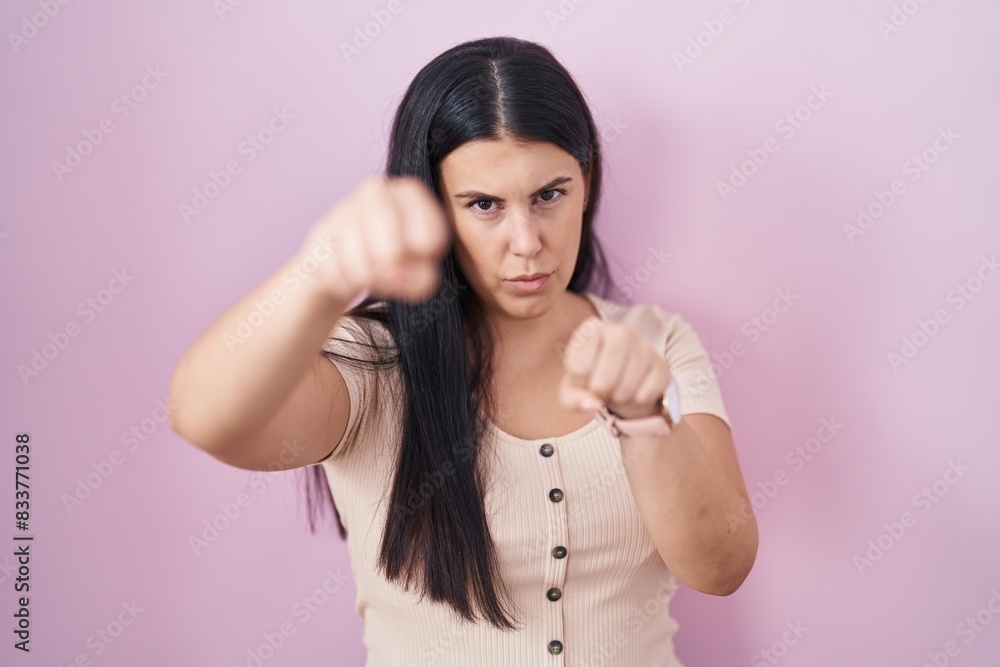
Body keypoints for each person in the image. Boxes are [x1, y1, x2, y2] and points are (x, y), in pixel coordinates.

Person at [168, 35, 758, 666]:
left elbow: (721, 566)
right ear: (434, 208)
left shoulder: (656, 340)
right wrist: (322, 272)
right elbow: (204, 418)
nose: (527, 241)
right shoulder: (371, 364)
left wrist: (646, 422)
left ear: (586, 180)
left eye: (549, 195)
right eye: (484, 205)